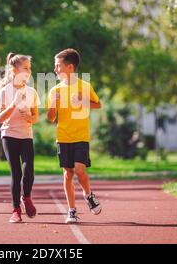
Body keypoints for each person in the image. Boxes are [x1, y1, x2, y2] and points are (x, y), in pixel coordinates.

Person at [46, 48, 102, 224]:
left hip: (81, 136)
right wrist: (53, 105)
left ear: (70, 67)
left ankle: (88, 194)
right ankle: (72, 210)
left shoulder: (85, 86)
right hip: (63, 137)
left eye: (58, 66)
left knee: (80, 170)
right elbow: (50, 118)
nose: (55, 69)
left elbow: (97, 104)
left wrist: (83, 101)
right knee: (68, 174)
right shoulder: (55, 90)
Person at [0, 52, 40, 223]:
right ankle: (15, 210)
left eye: (30, 68)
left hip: (26, 135)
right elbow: (0, 118)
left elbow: (36, 117)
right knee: (16, 174)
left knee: (29, 172)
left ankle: (26, 197)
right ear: (14, 69)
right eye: (25, 68)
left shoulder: (32, 92)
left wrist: (29, 118)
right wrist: (13, 105)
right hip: (9, 135)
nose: (29, 71)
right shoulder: (4, 91)